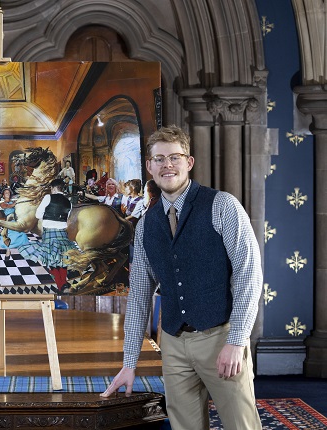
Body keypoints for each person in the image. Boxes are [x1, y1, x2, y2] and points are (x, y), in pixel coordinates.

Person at [102, 125, 262, 430]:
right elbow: (138, 297)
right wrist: (129, 362)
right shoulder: (146, 224)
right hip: (173, 343)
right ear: (149, 166)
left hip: (221, 337)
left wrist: (237, 341)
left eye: (175, 157)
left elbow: (248, 276)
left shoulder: (222, 205)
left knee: (242, 426)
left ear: (189, 162)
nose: (167, 165)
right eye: (159, 159)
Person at [17, 178, 77, 292]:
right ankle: (63, 285)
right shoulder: (68, 201)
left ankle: (61, 286)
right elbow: (67, 217)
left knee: (51, 260)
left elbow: (38, 214)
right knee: (61, 260)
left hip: (49, 232)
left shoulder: (48, 197)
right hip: (62, 233)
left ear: (53, 188)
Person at [0, 188, 29, 260]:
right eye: (6, 193)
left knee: (21, 235)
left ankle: (22, 250)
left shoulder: (13, 202)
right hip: (8, 221)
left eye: (8, 192)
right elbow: (7, 206)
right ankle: (8, 250)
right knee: (7, 236)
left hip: (15, 221)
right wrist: (15, 203)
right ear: (3, 195)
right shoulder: (2, 203)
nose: (7, 194)